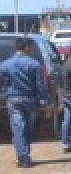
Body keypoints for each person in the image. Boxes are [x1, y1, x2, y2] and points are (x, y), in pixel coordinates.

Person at [0, 38, 49, 167]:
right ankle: (24, 155)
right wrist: (44, 99)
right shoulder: (34, 64)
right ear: (26, 47)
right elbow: (40, 84)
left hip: (13, 99)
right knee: (27, 127)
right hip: (30, 100)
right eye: (30, 47)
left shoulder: (5, 65)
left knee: (18, 127)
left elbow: (2, 81)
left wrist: (5, 91)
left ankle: (23, 156)